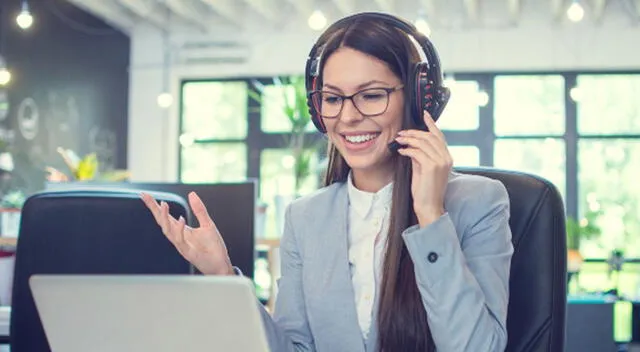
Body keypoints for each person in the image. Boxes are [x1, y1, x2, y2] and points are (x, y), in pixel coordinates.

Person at [141, 12, 513, 352]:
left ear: (417, 99)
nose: (347, 117)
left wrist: (431, 215)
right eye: (332, 98)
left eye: (371, 95)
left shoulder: (478, 202)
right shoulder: (306, 218)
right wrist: (223, 276)